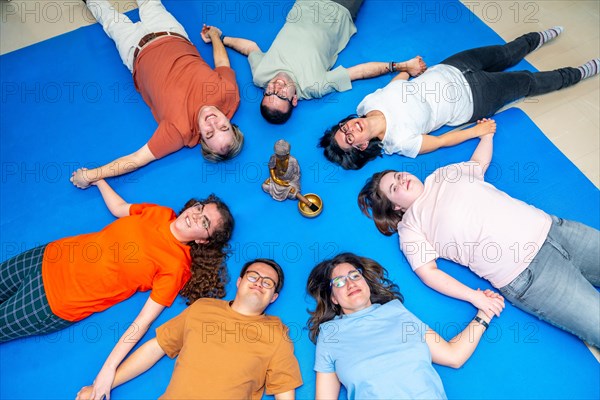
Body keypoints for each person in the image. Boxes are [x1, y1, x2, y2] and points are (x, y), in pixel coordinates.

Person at [358, 129, 600, 347]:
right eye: (394, 188)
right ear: (396, 207)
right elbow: (428, 272)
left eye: (398, 175)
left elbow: (478, 163)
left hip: (553, 229)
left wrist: (486, 136)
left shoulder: (441, 175)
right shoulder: (410, 227)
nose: (402, 180)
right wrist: (474, 297)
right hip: (529, 275)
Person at [0, 178, 234, 399]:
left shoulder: (177, 267)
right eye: (200, 208)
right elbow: (119, 207)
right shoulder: (160, 213)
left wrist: (108, 371)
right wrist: (99, 179)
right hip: (47, 255)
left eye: (205, 222)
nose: (195, 215)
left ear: (203, 240)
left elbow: (142, 323)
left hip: (53, 299)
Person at [320, 26, 600, 169]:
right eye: (347, 138)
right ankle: (577, 73)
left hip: (452, 66)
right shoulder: (399, 141)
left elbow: (392, 87)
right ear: (360, 146)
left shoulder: (366, 105)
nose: (348, 129)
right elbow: (441, 141)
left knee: (505, 53)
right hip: (474, 96)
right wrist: (476, 132)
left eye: (343, 127)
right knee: (527, 81)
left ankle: (537, 37)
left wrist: (407, 68)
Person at [71, 0, 244, 189]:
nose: (212, 122)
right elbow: (222, 63)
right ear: (230, 123)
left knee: (109, 19)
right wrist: (215, 35)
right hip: (170, 32)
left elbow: (136, 159)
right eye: (223, 127)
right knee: (150, 3)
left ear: (202, 138)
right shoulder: (228, 95)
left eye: (210, 133)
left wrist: (90, 175)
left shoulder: (179, 132)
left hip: (134, 49)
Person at [76, 259, 303, 400]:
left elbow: (284, 389)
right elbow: (156, 348)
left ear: (273, 297)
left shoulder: (276, 334)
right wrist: (99, 387)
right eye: (253, 276)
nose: (259, 282)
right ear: (240, 281)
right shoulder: (203, 307)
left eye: (268, 282)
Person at [307, 253, 500, 399]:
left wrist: (484, 314)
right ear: (333, 298)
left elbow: (453, 356)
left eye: (354, 275)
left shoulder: (396, 312)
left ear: (365, 282)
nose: (350, 283)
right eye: (339, 282)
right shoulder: (330, 334)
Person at [217, 0, 426, 124]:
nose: (275, 87)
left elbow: (250, 48)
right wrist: (402, 66)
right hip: (340, 8)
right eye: (281, 95)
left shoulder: (260, 75)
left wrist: (220, 37)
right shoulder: (314, 86)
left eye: (269, 93)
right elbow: (359, 72)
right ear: (294, 99)